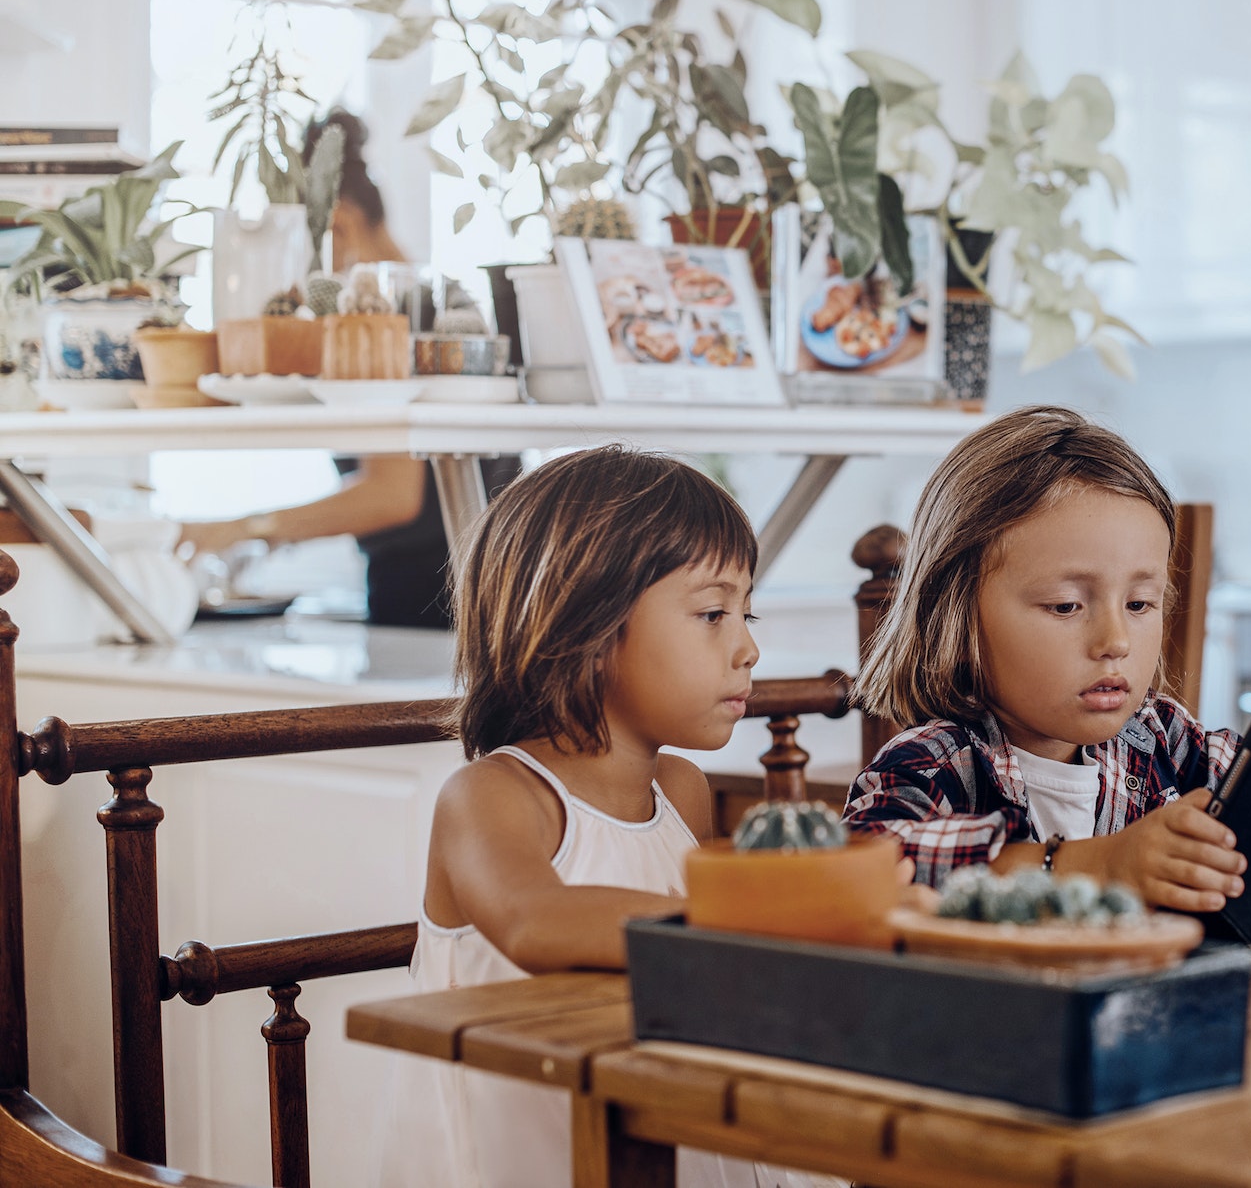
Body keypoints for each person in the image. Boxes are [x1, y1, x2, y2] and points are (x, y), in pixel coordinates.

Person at [378, 445, 836, 1188]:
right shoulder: (495, 795)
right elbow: (537, 920)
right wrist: (744, 919)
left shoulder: (681, 788)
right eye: (713, 613)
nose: (749, 646)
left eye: (745, 612)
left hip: (652, 1128)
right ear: (585, 625)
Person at [844, 405, 1251, 908]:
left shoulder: (1161, 741)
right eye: (1068, 606)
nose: (1115, 640)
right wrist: (1102, 864)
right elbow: (869, 865)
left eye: (1140, 604)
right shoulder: (931, 762)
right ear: (956, 610)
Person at [180, 110, 514, 628]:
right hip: (479, 585)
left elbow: (392, 496)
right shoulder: (438, 303)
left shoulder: (384, 315)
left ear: (338, 225)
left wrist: (246, 527)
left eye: (298, 240)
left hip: (435, 597)